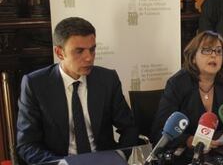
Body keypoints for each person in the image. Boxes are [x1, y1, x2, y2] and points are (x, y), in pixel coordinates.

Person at [16, 17, 139, 164]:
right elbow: (27, 145)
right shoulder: (35, 84)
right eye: (79, 51)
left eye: (92, 49)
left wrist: (119, 156)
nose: (89, 58)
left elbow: (129, 128)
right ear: (59, 53)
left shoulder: (107, 79)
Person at [151, 31, 223, 163]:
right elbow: (160, 131)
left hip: (221, 156)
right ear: (193, 58)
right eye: (207, 50)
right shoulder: (177, 84)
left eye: (219, 51)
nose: (214, 55)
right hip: (186, 157)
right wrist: (188, 140)